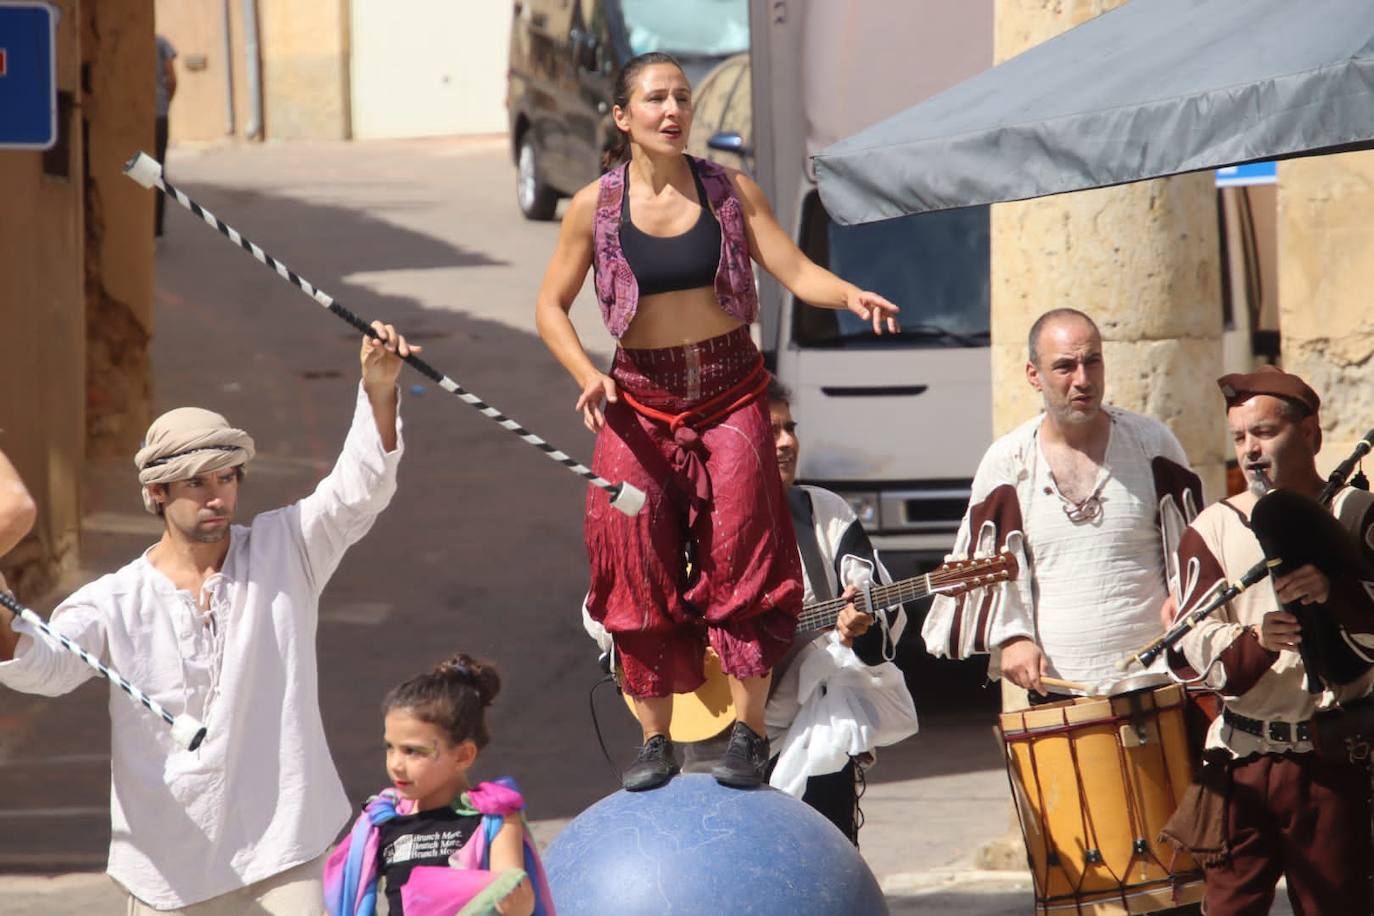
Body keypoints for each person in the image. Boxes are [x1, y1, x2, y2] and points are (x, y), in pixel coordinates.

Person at [535, 50, 899, 792]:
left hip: (731, 392)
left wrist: (850, 295)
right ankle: (656, 740)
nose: (672, 112)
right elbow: (549, 306)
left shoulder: (730, 191)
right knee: (629, 549)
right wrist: (587, 374)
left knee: (744, 556)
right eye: (656, 100)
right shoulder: (591, 207)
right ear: (623, 116)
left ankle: (748, 732)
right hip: (640, 400)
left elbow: (795, 271)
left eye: (682, 99)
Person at [0, 323, 413, 913]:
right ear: (158, 493)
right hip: (170, 866)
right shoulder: (115, 601)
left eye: (226, 478)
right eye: (196, 483)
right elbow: (39, 666)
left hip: (283, 843)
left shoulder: (284, 549)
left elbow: (359, 490)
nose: (217, 495)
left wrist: (378, 390)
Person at [1163, 366, 1374, 915]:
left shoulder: (1356, 514)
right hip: (1242, 761)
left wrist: (1335, 594)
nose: (1251, 451)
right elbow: (1189, 643)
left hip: (1333, 756)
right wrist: (1255, 640)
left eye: (1265, 433)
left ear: (1310, 435)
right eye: (1240, 438)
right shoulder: (1213, 527)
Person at [678, 379, 918, 843]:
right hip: (715, 750)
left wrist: (859, 627)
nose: (788, 443)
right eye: (771, 432)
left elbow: (880, 606)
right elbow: (622, 619)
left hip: (816, 740)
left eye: (791, 429)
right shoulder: (687, 524)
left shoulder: (823, 513)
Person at [922, 308, 1202, 699]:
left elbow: (1196, 553)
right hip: (1058, 692)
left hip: (1156, 682)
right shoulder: (1008, 463)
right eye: (1065, 367)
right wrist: (1012, 638)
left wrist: (1186, 595)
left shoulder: (1153, 445)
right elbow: (984, 571)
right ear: (1033, 375)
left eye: (1092, 362)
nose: (1083, 380)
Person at [325, 654, 550, 916]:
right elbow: (341, 905)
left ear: (463, 755)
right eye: (391, 748)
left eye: (413, 751)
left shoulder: (493, 818)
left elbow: (513, 900)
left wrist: (515, 903)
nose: (396, 764)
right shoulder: (381, 821)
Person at [154, 34, 177, 238]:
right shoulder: (161, 43)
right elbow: (171, 77)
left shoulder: (131, 42)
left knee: (137, 166)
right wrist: (165, 101)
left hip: (136, 116)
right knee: (157, 169)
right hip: (159, 114)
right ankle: (156, 226)